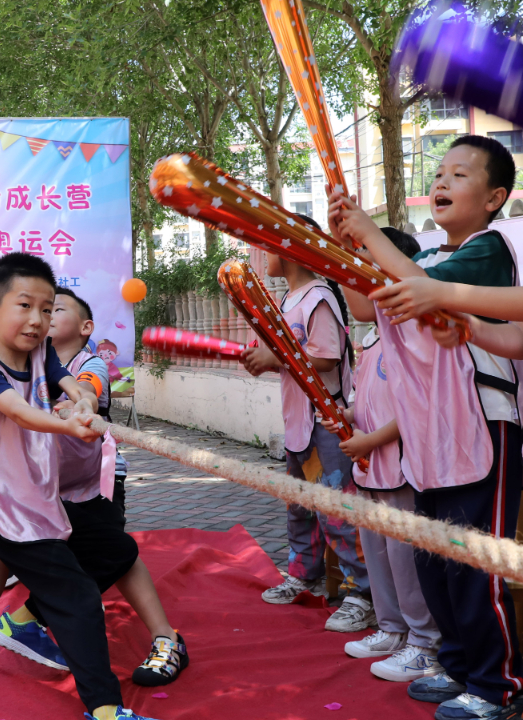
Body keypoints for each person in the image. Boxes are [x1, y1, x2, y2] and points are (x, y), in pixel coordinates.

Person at [330, 135, 522, 720]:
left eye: (459, 175)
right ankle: (457, 667)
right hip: (431, 432)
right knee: (436, 561)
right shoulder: (436, 259)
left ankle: (497, 688)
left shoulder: (491, 249)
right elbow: (369, 305)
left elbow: (416, 286)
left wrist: (367, 234)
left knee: (472, 564)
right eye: (439, 172)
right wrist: (342, 251)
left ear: (495, 197)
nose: (441, 182)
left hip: (482, 427)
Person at [0, 287, 185, 700]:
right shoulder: (7, 363)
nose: (39, 317)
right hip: (33, 486)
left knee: (116, 554)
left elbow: (87, 390)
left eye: (52, 309)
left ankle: (165, 638)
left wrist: (80, 404)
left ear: (85, 328)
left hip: (91, 485)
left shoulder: (87, 362)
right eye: (31, 309)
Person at [239, 215, 373, 633]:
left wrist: (275, 358)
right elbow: (288, 357)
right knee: (299, 505)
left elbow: (327, 356)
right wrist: (263, 359)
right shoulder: (287, 299)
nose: (263, 256)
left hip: (325, 424)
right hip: (298, 425)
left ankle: (360, 594)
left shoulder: (319, 297)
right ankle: (304, 574)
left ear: (287, 249)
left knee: (337, 511)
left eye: (268, 246)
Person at [321, 227, 443, 684]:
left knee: (405, 557)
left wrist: (372, 440)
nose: (348, 287)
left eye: (355, 276)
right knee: (378, 554)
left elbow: (420, 406)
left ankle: (424, 642)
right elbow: (368, 399)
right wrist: (346, 414)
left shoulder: (412, 335)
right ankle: (390, 628)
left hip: (400, 469)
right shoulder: (372, 339)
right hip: (370, 470)